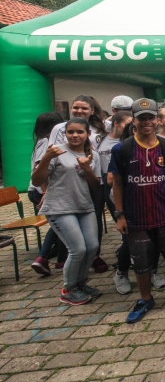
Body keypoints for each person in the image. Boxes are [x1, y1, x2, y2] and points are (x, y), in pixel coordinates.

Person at [109, 98, 165, 323]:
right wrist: (120, 214)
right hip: (136, 216)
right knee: (141, 260)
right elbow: (117, 183)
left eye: (150, 118)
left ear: (157, 120)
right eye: (141, 118)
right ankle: (145, 298)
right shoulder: (122, 149)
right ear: (134, 121)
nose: (146, 122)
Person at [31, 117, 102, 305]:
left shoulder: (93, 154)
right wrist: (46, 157)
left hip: (84, 206)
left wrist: (87, 168)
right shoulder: (57, 151)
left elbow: (96, 186)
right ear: (65, 133)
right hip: (60, 207)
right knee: (77, 249)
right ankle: (68, 289)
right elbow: (37, 180)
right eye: (71, 132)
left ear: (87, 134)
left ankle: (80, 283)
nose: (75, 135)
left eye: (80, 132)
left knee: (92, 246)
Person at [48, 95, 108, 273]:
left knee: (91, 234)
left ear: (92, 110)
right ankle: (67, 265)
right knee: (76, 244)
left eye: (83, 108)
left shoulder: (100, 128)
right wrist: (45, 192)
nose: (79, 111)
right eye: (76, 107)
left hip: (90, 184)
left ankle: (92, 259)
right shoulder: (59, 128)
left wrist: (88, 168)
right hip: (64, 189)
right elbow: (49, 160)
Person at [98, 112, 134, 293]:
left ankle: (150, 272)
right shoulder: (120, 149)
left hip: (148, 201)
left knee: (150, 238)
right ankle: (121, 272)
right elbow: (112, 180)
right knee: (129, 238)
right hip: (124, 201)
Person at [29, 112, 66, 275]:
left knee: (59, 225)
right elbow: (39, 167)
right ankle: (44, 258)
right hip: (41, 191)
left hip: (44, 190)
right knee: (60, 225)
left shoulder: (41, 141)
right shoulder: (45, 142)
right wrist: (46, 192)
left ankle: (57, 259)